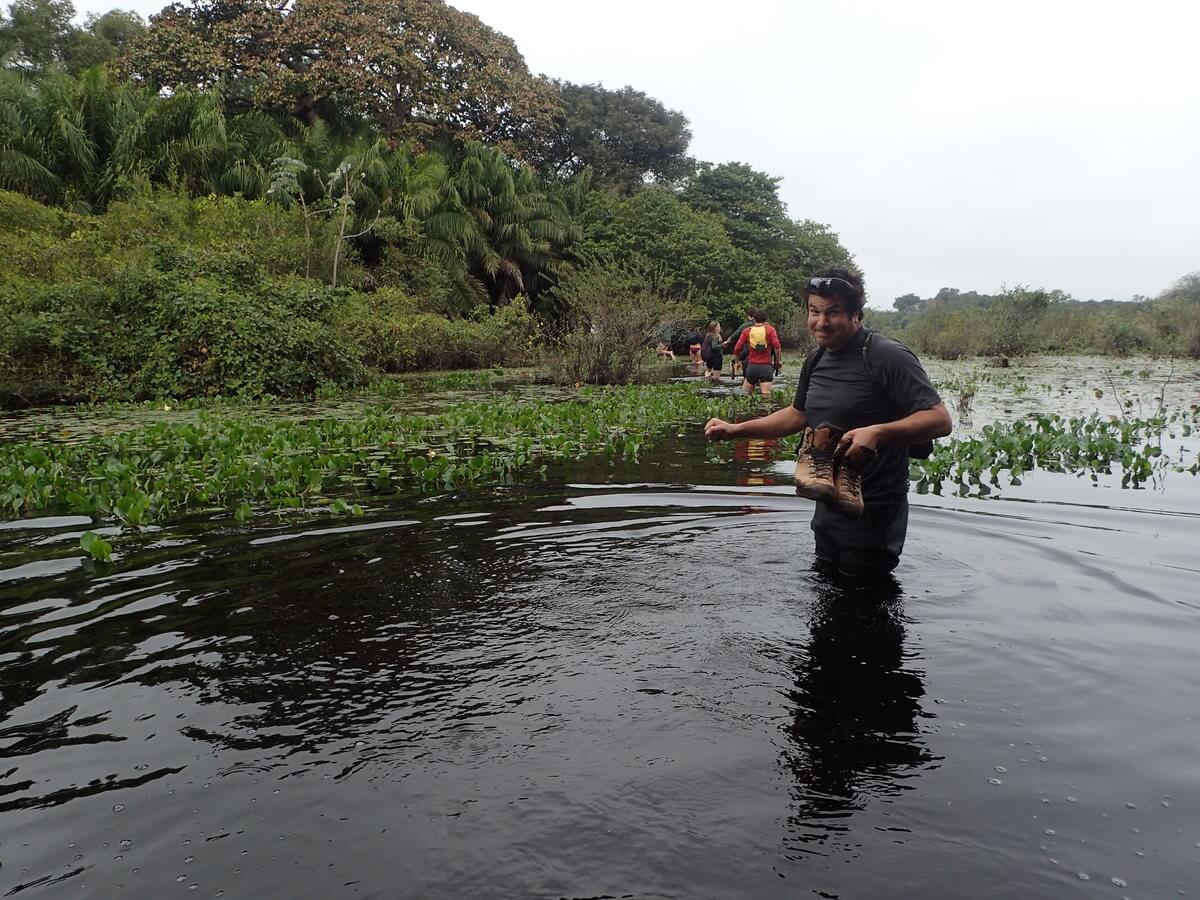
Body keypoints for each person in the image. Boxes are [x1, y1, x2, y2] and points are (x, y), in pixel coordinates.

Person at [704, 268, 952, 579]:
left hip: (874, 508)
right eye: (814, 311)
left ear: (856, 315)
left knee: (864, 602)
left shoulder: (886, 355)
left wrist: (878, 431)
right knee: (825, 591)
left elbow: (940, 419)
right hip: (828, 502)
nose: (821, 322)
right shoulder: (817, 358)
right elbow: (799, 414)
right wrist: (737, 430)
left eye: (833, 312)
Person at [732, 308, 782, 396]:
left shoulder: (747, 331)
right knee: (766, 396)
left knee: (746, 395)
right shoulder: (770, 330)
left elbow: (737, 348)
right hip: (766, 368)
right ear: (766, 319)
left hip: (752, 368)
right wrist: (777, 361)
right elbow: (777, 346)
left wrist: (737, 362)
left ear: (754, 319)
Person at [723, 313, 754, 378]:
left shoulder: (746, 325)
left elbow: (736, 334)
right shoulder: (765, 326)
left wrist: (727, 341)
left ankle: (735, 363)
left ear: (748, 316)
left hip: (747, 347)